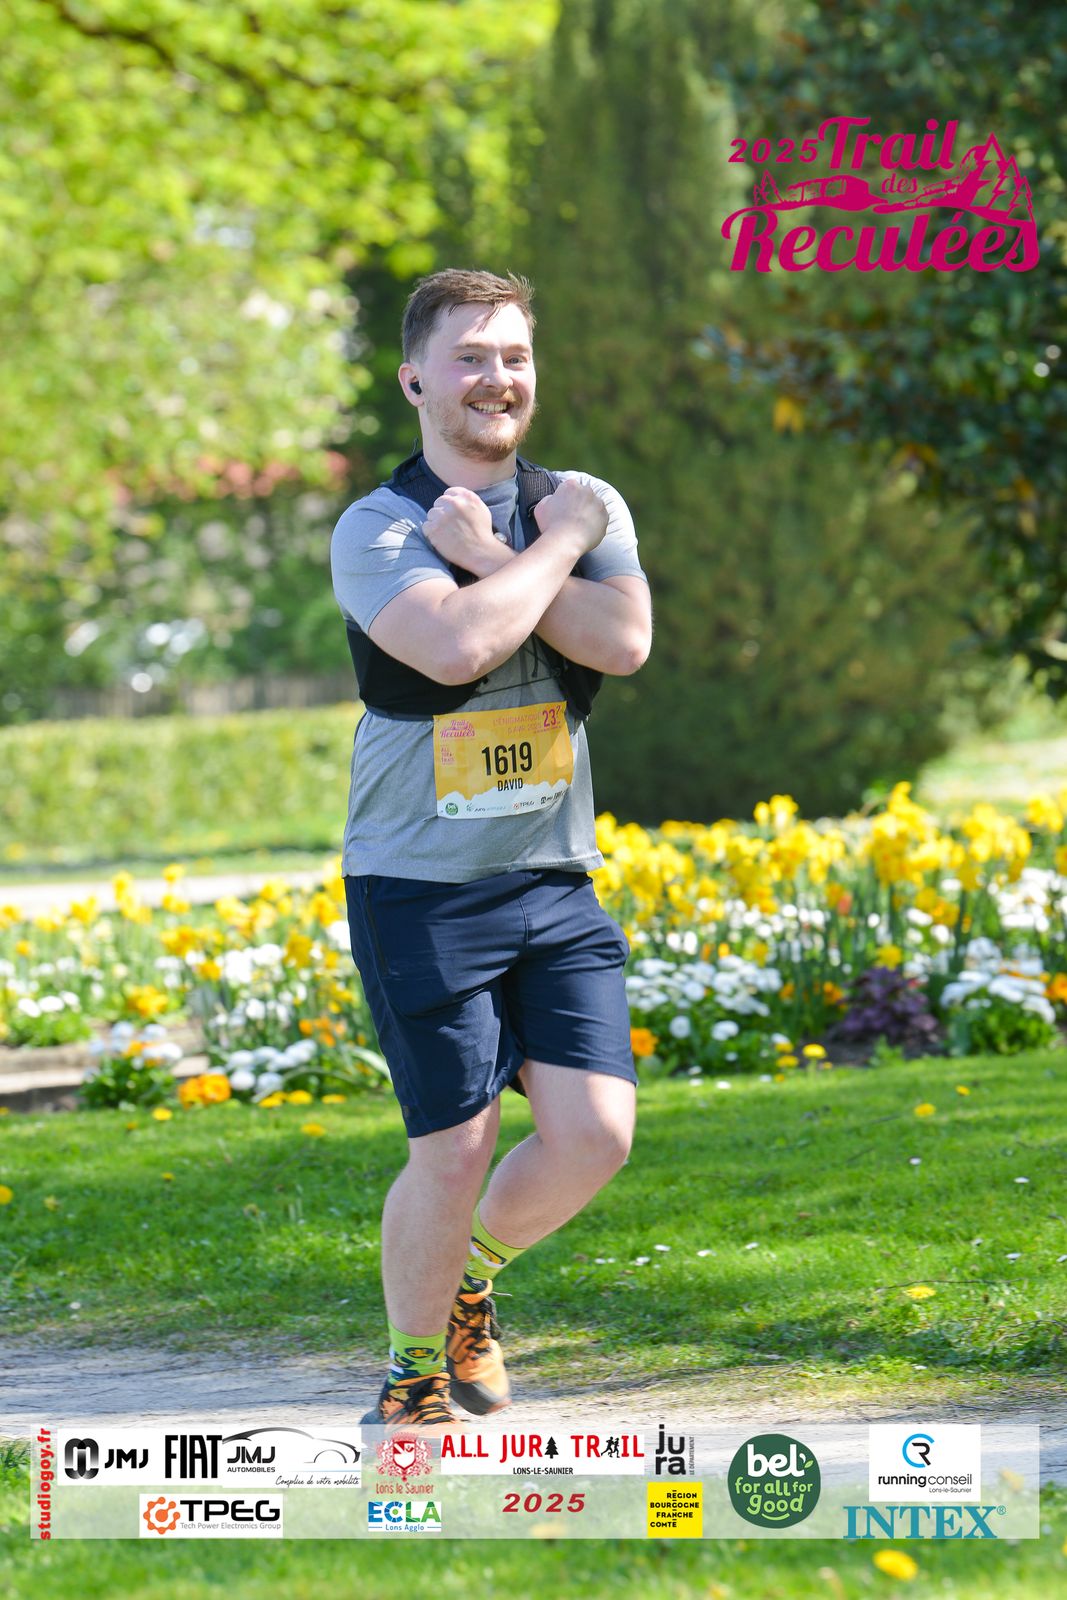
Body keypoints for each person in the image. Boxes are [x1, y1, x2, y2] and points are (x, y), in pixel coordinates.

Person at [331, 267, 653, 1431]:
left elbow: (621, 640)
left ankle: (466, 1280)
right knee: (455, 1143)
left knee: (595, 1133)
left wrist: (509, 548)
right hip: (418, 887)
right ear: (414, 379)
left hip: (551, 874)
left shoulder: (582, 500)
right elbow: (457, 647)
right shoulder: (375, 526)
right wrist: (538, 553)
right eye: (468, 356)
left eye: (512, 355)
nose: (495, 377)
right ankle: (411, 1379)